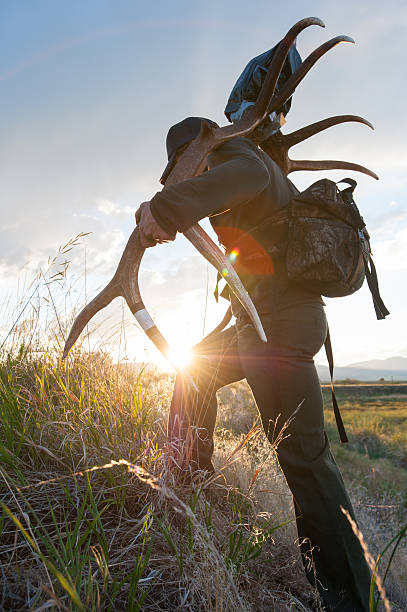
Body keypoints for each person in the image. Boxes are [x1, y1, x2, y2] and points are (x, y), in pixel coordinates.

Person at [135, 116, 371, 612]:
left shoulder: (232, 152)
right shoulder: (241, 158)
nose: (176, 178)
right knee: (194, 368)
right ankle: (189, 488)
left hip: (281, 327)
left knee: (305, 462)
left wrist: (167, 207)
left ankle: (352, 600)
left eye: (175, 169)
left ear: (190, 152)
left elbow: (249, 178)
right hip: (258, 323)